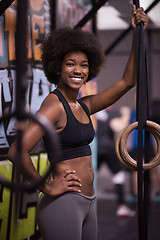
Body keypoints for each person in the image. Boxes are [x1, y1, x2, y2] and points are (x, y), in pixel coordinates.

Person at [8, 5, 148, 240]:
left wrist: (136, 33)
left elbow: (127, 81)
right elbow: (17, 151)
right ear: (57, 67)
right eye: (70, 63)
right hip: (63, 203)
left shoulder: (84, 105)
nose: (78, 70)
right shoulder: (54, 106)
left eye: (83, 65)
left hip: (88, 202)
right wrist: (47, 187)